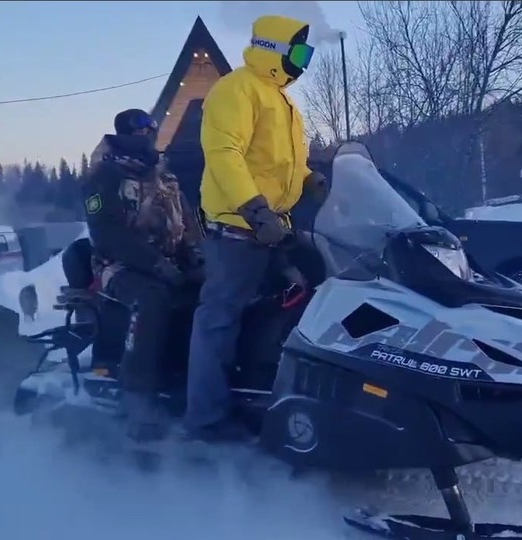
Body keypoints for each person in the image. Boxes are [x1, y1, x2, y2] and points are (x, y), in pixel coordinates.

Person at [183, 14, 329, 442]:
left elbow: (281, 162)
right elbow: (224, 153)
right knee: (219, 318)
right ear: (274, 49)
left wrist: (312, 179)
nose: (303, 61)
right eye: (299, 51)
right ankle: (205, 420)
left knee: (303, 301)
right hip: (237, 229)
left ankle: (270, 393)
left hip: (274, 228)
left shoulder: (282, 100)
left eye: (308, 53)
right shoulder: (237, 88)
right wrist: (255, 209)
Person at [82, 108, 202, 443]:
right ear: (122, 133)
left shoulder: (165, 177)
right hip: (117, 265)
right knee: (151, 298)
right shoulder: (104, 176)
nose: (148, 133)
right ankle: (137, 395)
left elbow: (187, 225)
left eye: (151, 128)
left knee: (212, 295)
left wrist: (197, 260)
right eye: (139, 129)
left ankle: (194, 383)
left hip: (169, 262)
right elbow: (108, 234)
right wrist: (156, 264)